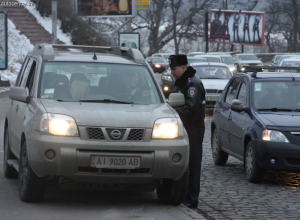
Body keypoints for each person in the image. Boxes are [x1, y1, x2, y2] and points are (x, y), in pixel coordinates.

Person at [169, 54, 206, 208]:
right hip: (186, 126)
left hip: (193, 127)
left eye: (174, 68)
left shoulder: (192, 84)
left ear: (183, 68)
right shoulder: (183, 81)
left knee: (193, 163)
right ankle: (185, 195)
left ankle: (192, 199)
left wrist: (172, 113)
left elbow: (191, 108)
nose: (171, 72)